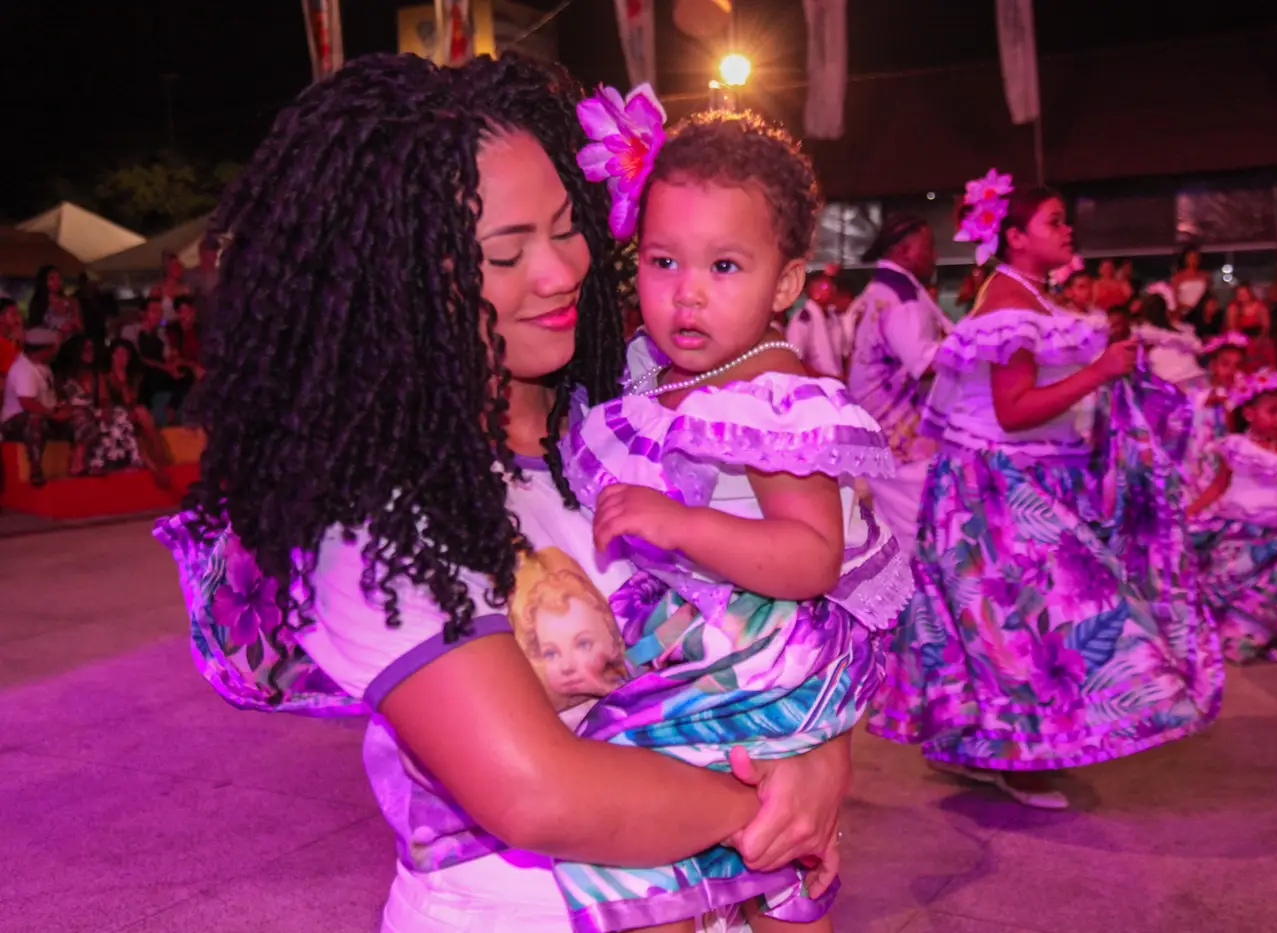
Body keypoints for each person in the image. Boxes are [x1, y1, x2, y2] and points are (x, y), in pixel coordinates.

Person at [153, 53, 850, 933]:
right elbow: (536, 790)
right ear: (401, 278)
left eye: (566, 227)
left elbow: (793, 614)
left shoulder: (624, 422)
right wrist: (775, 812)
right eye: (507, 251)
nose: (561, 271)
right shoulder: (380, 514)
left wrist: (823, 757)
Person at [560, 103, 911, 933]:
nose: (686, 292)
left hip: (760, 654)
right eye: (663, 260)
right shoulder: (660, 374)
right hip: (713, 640)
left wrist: (680, 526)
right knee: (739, 859)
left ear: (785, 283)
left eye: (724, 265)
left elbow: (812, 556)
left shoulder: (768, 398)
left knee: (652, 831)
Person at [868, 175, 1223, 810]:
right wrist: (1100, 371)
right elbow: (1014, 411)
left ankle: (988, 749)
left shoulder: (1029, 294)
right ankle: (1023, 756)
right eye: (1053, 220)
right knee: (1053, 617)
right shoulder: (1008, 305)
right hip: (991, 490)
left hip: (1011, 482)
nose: (1066, 229)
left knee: (1010, 625)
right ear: (1015, 236)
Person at [1188, 369, 1277, 663]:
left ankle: (1273, 635)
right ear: (1249, 414)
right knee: (1236, 582)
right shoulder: (1235, 447)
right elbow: (1218, 486)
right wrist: (1191, 510)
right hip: (1239, 529)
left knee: (1276, 586)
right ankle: (1242, 633)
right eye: (1272, 411)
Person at [847, 211, 952, 554]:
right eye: (929, 247)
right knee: (916, 531)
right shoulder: (901, 296)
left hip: (876, 423)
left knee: (888, 527)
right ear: (906, 251)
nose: (934, 255)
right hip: (895, 430)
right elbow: (923, 361)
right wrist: (975, 350)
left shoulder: (879, 288)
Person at [54, 335, 143, 476]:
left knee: (119, 416)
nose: (91, 352)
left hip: (93, 413)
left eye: (92, 349)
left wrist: (105, 409)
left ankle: (127, 461)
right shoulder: (63, 377)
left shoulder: (96, 376)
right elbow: (59, 403)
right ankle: (84, 462)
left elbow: (104, 399)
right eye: (87, 349)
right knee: (83, 417)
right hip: (71, 416)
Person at [0, 328, 71, 486]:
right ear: (43, 350)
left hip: (45, 413)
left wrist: (62, 408)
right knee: (35, 420)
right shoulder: (23, 369)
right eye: (52, 348)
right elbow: (27, 403)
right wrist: (53, 414)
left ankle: (81, 460)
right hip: (15, 421)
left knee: (80, 416)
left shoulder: (43, 367)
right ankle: (35, 468)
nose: (54, 351)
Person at [1183, 332, 1248, 498]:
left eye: (1237, 365)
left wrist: (1227, 407)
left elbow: (1235, 434)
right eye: (1225, 364)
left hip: (1223, 464)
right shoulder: (1196, 392)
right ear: (1212, 365)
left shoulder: (1241, 397)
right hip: (1195, 459)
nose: (1231, 371)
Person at [108, 338, 173, 486]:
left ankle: (160, 467)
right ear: (112, 355)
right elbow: (109, 404)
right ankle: (156, 470)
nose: (121, 358)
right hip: (115, 418)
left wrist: (124, 380)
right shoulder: (106, 378)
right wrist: (120, 381)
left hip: (133, 415)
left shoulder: (134, 378)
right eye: (118, 354)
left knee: (143, 417)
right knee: (139, 422)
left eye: (125, 355)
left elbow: (132, 400)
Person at [134, 293, 195, 420]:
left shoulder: (160, 330)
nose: (158, 315)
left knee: (186, 375)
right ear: (144, 313)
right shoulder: (134, 330)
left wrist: (172, 366)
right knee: (148, 379)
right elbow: (139, 357)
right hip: (146, 371)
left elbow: (166, 322)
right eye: (154, 311)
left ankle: (171, 408)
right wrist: (166, 368)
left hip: (161, 371)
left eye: (160, 312)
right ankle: (142, 414)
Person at [1136, 288, 1205, 390]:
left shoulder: (1181, 330)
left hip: (1187, 379)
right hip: (1172, 383)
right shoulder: (1144, 333)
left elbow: (1198, 348)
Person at [785, 269, 846, 378]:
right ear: (813, 291)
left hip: (837, 381)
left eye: (831, 285)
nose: (831, 290)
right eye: (824, 287)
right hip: (817, 383)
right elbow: (795, 359)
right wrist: (823, 378)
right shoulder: (803, 318)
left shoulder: (834, 318)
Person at [1227, 282, 1276, 371]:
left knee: (1267, 344)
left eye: (1244, 294)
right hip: (1240, 338)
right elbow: (1232, 328)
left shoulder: (1260, 306)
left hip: (1259, 337)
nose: (1242, 296)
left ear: (1250, 293)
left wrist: (1260, 339)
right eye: (1239, 294)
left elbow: (1266, 326)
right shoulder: (1233, 307)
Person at [26, 265, 81, 337]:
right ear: (43, 281)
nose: (56, 281)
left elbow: (80, 327)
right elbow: (33, 330)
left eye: (59, 278)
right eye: (52, 278)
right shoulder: (38, 304)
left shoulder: (72, 302)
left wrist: (71, 325)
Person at [1172, 246, 1211, 312]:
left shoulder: (1205, 276)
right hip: (1184, 310)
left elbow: (1208, 296)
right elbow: (1174, 297)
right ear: (1185, 259)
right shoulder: (1178, 277)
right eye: (1190, 257)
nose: (1193, 260)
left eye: (1195, 257)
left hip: (1201, 311)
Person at [0, 297, 22, 377]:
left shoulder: (10, 343)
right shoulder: (3, 345)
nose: (18, 319)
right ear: (1, 317)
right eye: (13, 314)